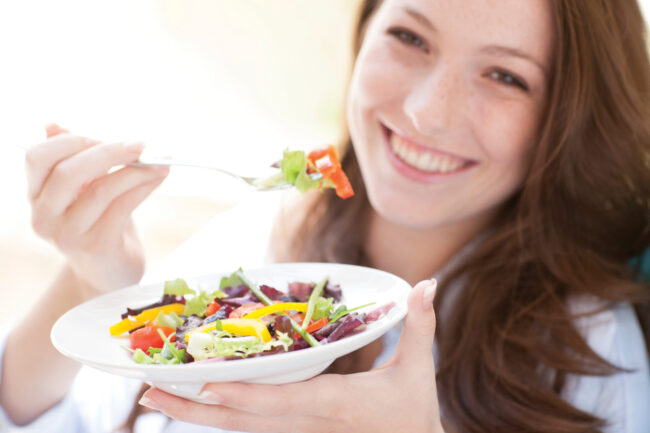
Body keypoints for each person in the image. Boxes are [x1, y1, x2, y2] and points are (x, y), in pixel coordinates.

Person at [2, 0, 649, 432]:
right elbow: (54, 418)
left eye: (506, 77)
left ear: (565, 117)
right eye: (408, 36)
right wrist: (93, 281)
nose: (428, 112)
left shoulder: (589, 349)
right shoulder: (252, 246)